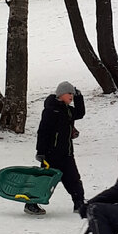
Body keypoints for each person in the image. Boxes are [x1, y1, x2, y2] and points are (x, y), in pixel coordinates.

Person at [33, 80, 87, 217]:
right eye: (69, 93)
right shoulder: (51, 110)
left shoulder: (68, 110)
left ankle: (79, 202)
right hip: (51, 154)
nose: (71, 96)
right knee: (45, 180)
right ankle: (32, 203)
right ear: (61, 94)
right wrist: (41, 151)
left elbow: (80, 113)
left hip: (67, 153)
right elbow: (43, 131)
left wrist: (79, 97)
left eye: (73, 94)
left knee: (73, 178)